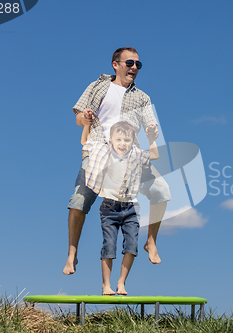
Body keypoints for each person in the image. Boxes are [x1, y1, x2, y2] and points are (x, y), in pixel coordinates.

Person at [63, 47, 171, 275]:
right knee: (79, 200)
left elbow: (152, 126)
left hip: (130, 155)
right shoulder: (97, 86)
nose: (134, 68)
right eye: (130, 63)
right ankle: (72, 253)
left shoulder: (142, 97)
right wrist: (85, 117)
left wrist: (152, 131)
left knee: (161, 190)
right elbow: (78, 118)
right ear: (116, 64)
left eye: (138, 65)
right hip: (99, 151)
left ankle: (151, 241)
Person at [83, 120, 159, 295]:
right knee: (109, 245)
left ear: (132, 141)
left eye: (127, 140)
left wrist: (151, 138)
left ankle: (121, 282)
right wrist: (87, 124)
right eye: (119, 140)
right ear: (110, 140)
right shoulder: (104, 152)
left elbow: (154, 155)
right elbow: (85, 143)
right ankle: (106, 285)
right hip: (109, 208)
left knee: (131, 245)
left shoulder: (136, 155)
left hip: (131, 208)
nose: (122, 144)